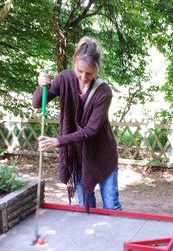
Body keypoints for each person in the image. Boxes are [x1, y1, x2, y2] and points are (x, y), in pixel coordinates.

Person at [32, 36, 122, 211]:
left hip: (103, 155)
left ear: (97, 69)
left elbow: (90, 131)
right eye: (80, 70)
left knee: (111, 205)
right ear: (74, 63)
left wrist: (58, 141)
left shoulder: (104, 92)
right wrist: (41, 85)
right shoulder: (64, 78)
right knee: (85, 206)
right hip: (79, 155)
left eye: (89, 73)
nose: (83, 77)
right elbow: (37, 103)